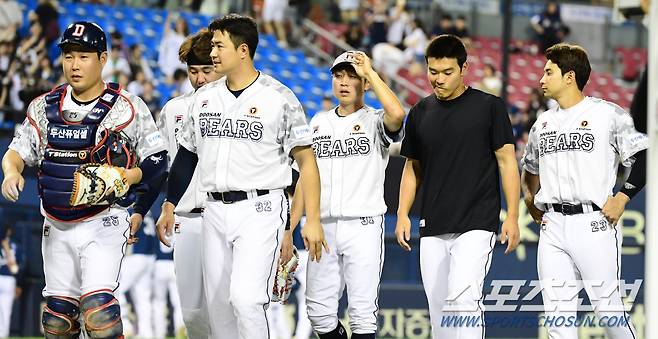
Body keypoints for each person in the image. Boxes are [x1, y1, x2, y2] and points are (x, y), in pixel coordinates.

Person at [156, 14, 326, 339]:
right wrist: (170, 204)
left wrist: (312, 220)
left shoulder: (278, 98)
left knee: (246, 300)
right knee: (219, 310)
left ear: (243, 50)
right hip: (213, 210)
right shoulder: (203, 99)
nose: (213, 52)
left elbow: (307, 161)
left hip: (260, 208)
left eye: (219, 45)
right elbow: (187, 154)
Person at [0, 21, 167, 338]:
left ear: (103, 59)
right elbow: (15, 151)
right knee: (58, 320)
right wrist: (11, 171)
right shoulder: (44, 106)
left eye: (84, 56)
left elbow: (158, 160)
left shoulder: (126, 108)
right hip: (56, 223)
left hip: (103, 221)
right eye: (69, 56)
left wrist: (128, 177)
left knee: (99, 312)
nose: (74, 65)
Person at [395, 34, 520, 339]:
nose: (438, 79)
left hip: (477, 222)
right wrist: (401, 213)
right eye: (432, 71)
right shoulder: (420, 111)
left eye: (447, 72)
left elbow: (507, 162)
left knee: (463, 302)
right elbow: (412, 168)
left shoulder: (489, 106)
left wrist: (513, 216)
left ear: (464, 68)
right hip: (433, 223)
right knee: (439, 311)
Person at [521, 43, 646, 339]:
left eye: (548, 72)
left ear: (569, 76)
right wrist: (530, 198)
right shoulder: (543, 122)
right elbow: (530, 168)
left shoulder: (607, 115)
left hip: (594, 222)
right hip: (553, 226)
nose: (541, 79)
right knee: (557, 318)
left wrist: (623, 197)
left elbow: (645, 156)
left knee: (608, 312)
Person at [284, 50, 406, 339]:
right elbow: (303, 180)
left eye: (352, 76)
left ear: (363, 83)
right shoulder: (317, 122)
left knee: (362, 313)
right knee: (318, 312)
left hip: (362, 224)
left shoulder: (375, 121)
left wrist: (371, 74)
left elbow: (398, 114)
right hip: (322, 225)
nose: (344, 81)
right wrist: (290, 227)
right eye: (339, 75)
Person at [148, 28, 222, 339]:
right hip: (187, 218)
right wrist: (144, 209)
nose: (201, 78)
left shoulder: (243, 108)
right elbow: (158, 167)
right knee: (192, 315)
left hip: (230, 215)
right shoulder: (173, 109)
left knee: (233, 307)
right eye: (194, 71)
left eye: (208, 70)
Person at [116, 213, 156, 338]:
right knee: (143, 297)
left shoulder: (133, 210)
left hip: (135, 256)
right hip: (150, 257)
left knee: (117, 290)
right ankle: (146, 332)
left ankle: (126, 326)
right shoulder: (148, 211)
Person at [0, 225, 21, 338]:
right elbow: (17, 268)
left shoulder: (10, 244)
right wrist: (18, 283)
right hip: (9, 278)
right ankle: (3, 334)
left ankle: (3, 334)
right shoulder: (15, 244)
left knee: (4, 309)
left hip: (7, 277)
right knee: (6, 309)